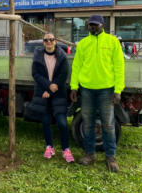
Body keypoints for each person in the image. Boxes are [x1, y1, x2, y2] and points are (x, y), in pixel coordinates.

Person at [70, 15, 124, 172]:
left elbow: (119, 67)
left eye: (95, 25)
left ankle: (110, 157)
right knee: (88, 123)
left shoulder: (112, 42)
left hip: (106, 90)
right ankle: (90, 154)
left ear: (103, 25)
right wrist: (74, 87)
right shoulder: (83, 44)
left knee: (107, 124)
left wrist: (118, 90)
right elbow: (77, 66)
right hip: (86, 89)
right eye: (90, 25)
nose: (92, 27)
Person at [31, 33, 74, 163]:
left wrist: (51, 89)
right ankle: (49, 146)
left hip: (58, 94)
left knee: (62, 122)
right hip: (43, 92)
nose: (49, 42)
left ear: (55, 41)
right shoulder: (38, 55)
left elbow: (63, 74)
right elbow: (35, 74)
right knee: (46, 121)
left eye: (51, 39)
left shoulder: (62, 56)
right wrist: (49, 87)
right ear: (43, 43)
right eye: (46, 40)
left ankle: (66, 149)